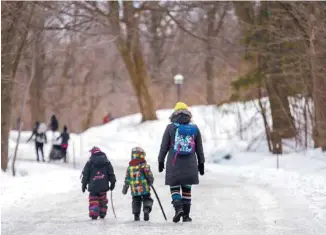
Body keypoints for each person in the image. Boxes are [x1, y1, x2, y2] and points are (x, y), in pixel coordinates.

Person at [157, 102, 205, 223]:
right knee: (187, 189)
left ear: (174, 113)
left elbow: (164, 147)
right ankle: (186, 216)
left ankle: (178, 208)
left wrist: (160, 161)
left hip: (174, 163)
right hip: (190, 164)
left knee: (174, 188)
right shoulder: (194, 128)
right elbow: (199, 148)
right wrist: (201, 163)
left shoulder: (170, 127)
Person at [81, 147, 116, 220]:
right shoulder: (107, 162)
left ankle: (94, 214)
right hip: (103, 186)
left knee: (93, 200)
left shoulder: (89, 162)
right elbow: (111, 174)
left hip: (93, 187)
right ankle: (102, 213)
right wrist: (112, 183)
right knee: (103, 200)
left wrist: (83, 184)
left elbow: (85, 175)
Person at [122, 147, 154, 221]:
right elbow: (149, 175)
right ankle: (146, 210)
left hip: (135, 190)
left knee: (136, 201)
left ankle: (136, 215)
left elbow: (127, 179)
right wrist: (150, 181)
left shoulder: (129, 168)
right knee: (147, 199)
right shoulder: (144, 165)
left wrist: (125, 188)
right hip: (144, 188)